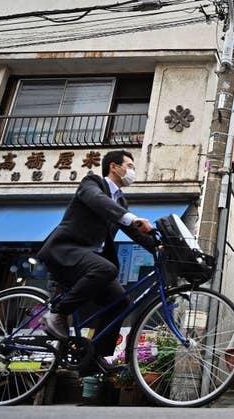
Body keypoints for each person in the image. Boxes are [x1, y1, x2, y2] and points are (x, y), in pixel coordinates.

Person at [38, 150, 156, 376]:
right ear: (114, 166)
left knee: (120, 301)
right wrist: (132, 218)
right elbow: (99, 202)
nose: (132, 171)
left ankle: (94, 357)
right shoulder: (92, 183)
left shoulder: (120, 200)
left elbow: (133, 231)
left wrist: (158, 247)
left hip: (88, 260)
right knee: (106, 268)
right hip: (66, 250)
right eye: (129, 166)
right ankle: (57, 313)